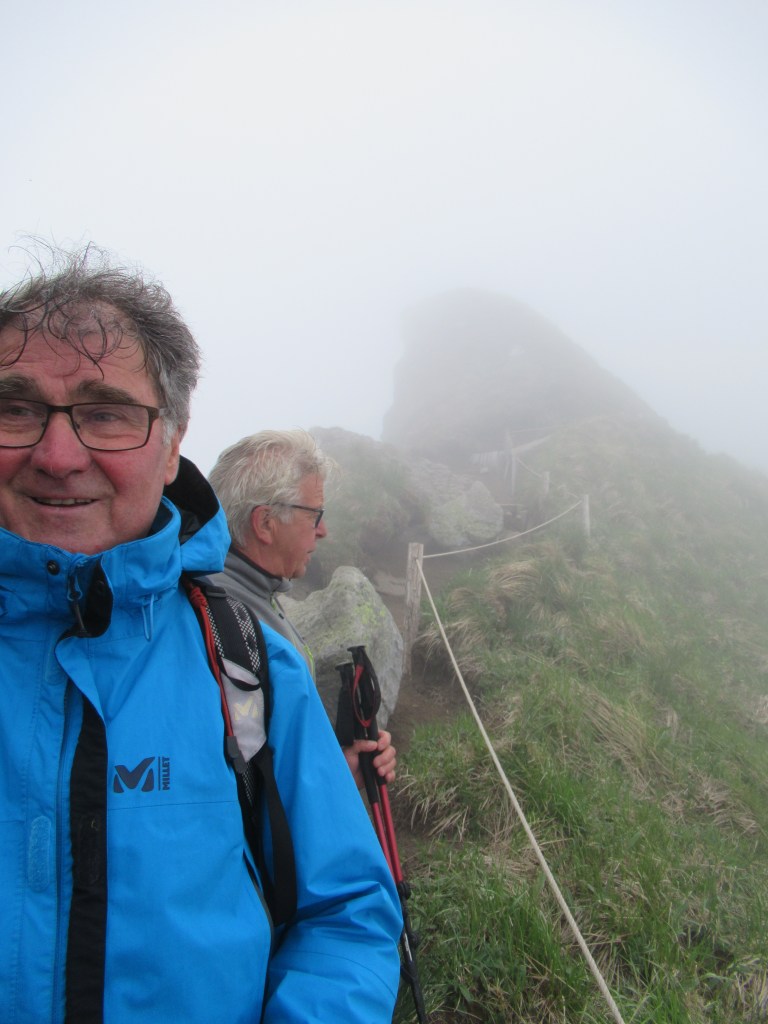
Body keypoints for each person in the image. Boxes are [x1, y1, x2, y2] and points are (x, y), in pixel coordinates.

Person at [0, 245, 402, 1024]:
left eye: (106, 414)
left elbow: (346, 911)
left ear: (172, 441)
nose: (57, 455)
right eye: (15, 407)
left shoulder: (248, 658)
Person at [208, 430, 397, 789]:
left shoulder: (245, 596)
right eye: (314, 515)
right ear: (265, 523)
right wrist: (331, 783)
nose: (323, 531)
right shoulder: (228, 623)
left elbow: (271, 761)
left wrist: (339, 772)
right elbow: (246, 787)